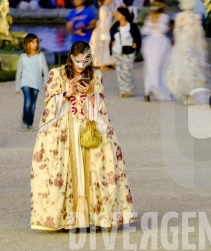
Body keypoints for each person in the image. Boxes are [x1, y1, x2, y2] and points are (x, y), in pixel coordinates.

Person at [30, 41, 135, 231]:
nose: (81, 65)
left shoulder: (95, 75)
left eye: (85, 61)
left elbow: (101, 106)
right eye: (77, 61)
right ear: (70, 57)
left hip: (90, 126)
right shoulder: (57, 74)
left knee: (98, 168)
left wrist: (90, 93)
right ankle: (64, 218)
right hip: (65, 129)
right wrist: (66, 93)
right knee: (65, 169)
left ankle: (97, 217)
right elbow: (48, 107)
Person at [165, 0, 210, 104]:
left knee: (184, 68)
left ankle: (187, 95)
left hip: (185, 44)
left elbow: (177, 32)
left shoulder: (180, 16)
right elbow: (200, 33)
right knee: (191, 68)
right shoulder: (196, 17)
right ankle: (189, 94)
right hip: (190, 44)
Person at [15, 34, 49, 131]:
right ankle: (25, 122)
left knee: (33, 105)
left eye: (36, 42)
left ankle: (30, 123)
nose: (35, 44)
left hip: (36, 83)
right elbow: (19, 72)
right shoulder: (23, 56)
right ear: (27, 43)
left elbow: (45, 70)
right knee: (28, 102)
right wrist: (17, 87)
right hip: (25, 82)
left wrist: (46, 83)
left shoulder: (40, 56)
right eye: (32, 42)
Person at [141, 2, 172, 102]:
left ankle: (148, 91)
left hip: (150, 42)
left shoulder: (149, 17)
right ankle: (157, 88)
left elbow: (144, 30)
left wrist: (152, 26)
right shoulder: (164, 17)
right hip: (160, 43)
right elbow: (163, 29)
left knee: (150, 67)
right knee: (160, 66)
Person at [110, 7, 142, 98]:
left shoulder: (131, 26)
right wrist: (112, 42)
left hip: (128, 51)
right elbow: (111, 34)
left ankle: (129, 89)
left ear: (124, 15)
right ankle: (123, 90)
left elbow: (137, 37)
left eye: (118, 14)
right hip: (117, 50)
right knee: (119, 71)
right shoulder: (115, 25)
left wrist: (135, 43)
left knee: (127, 70)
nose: (117, 15)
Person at [89, 0, 114, 69]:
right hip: (103, 30)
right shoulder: (103, 8)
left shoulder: (106, 8)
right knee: (103, 46)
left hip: (106, 29)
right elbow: (104, 21)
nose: (111, 0)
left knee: (106, 46)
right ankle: (102, 64)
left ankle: (105, 63)